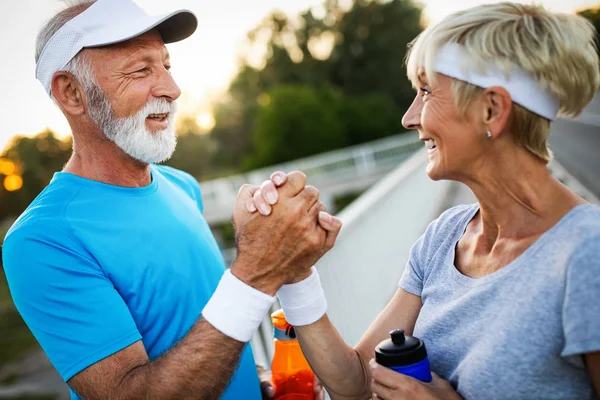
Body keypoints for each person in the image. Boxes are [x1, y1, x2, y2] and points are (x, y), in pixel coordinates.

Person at [249, 2, 600, 399]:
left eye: (426, 92)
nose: (409, 117)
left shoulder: (588, 252)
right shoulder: (445, 237)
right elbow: (360, 383)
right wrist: (296, 273)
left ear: (492, 109)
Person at [1, 0, 340, 399]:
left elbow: (198, 328)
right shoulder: (42, 239)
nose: (172, 89)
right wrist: (256, 272)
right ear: (72, 93)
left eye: (166, 65)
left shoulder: (182, 186)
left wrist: (256, 379)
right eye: (142, 69)